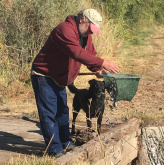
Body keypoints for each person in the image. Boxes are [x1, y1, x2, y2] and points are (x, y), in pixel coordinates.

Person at [30, 8, 119, 157]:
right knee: (49, 114)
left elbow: (90, 54)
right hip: (44, 76)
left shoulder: (84, 34)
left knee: (62, 113)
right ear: (82, 19)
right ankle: (55, 151)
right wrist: (103, 62)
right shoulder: (64, 30)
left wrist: (97, 68)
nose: (91, 33)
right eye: (90, 28)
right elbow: (77, 53)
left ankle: (66, 144)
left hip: (59, 79)